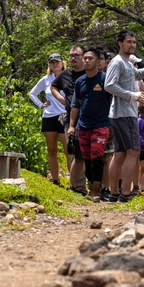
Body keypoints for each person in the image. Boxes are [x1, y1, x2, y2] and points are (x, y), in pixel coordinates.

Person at [103, 30, 144, 202]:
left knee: (120, 153)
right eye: (129, 41)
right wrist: (132, 95)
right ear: (120, 43)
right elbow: (109, 85)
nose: (132, 45)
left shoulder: (127, 62)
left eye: (134, 42)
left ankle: (115, 193)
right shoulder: (117, 62)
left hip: (121, 114)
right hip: (124, 114)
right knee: (134, 152)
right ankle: (125, 193)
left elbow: (136, 75)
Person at [68, 49, 112, 199]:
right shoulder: (80, 81)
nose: (86, 61)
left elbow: (114, 99)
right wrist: (72, 126)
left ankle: (97, 190)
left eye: (90, 58)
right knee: (86, 158)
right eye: (85, 58)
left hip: (101, 124)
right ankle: (90, 186)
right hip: (83, 126)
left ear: (97, 61)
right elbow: (76, 105)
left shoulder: (105, 79)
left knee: (97, 156)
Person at [51, 45, 86, 194]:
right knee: (73, 152)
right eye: (71, 55)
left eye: (76, 55)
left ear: (84, 57)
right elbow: (54, 86)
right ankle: (78, 187)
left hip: (90, 118)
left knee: (91, 153)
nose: (73, 58)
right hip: (71, 119)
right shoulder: (65, 74)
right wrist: (61, 99)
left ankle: (97, 185)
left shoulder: (89, 73)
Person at [38, 54, 70, 186]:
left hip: (64, 115)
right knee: (52, 149)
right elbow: (32, 93)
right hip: (49, 116)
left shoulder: (68, 77)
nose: (55, 65)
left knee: (68, 148)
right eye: (52, 63)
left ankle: (73, 180)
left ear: (62, 63)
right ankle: (55, 179)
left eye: (57, 62)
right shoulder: (46, 79)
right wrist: (41, 104)